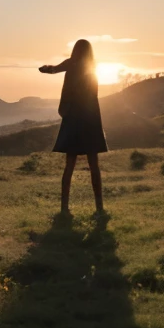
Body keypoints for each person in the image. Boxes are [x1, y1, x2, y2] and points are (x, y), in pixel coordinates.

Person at [39, 38, 108, 214]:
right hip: (90, 117)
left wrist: (46, 68)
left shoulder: (71, 63)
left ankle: (64, 208)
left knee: (69, 164)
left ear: (75, 50)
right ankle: (99, 208)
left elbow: (53, 70)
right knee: (94, 164)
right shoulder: (93, 67)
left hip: (74, 117)